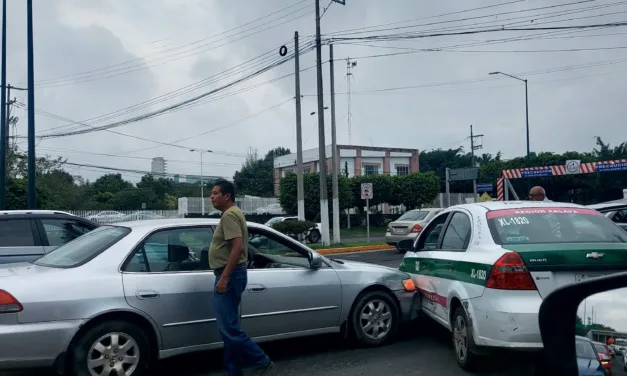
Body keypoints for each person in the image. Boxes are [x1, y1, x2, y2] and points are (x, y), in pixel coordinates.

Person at [208, 180, 274, 376]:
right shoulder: (233, 214)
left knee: (228, 329)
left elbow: (237, 248)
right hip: (232, 274)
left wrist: (224, 278)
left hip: (229, 275)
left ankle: (261, 360)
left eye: (215, 193)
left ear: (226, 196)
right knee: (229, 329)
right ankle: (234, 372)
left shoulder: (229, 216)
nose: (211, 197)